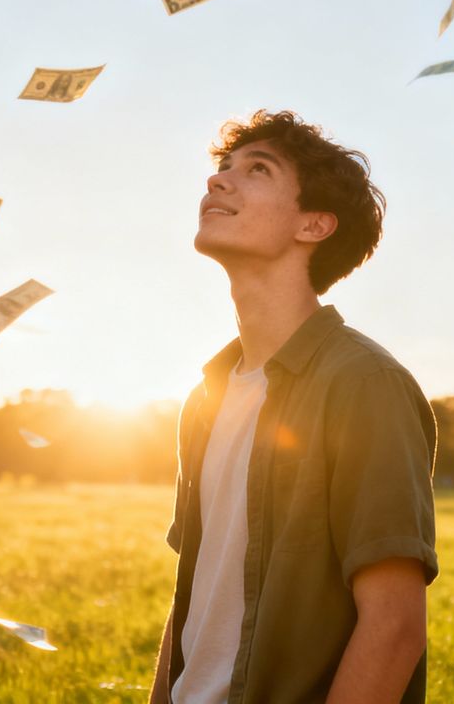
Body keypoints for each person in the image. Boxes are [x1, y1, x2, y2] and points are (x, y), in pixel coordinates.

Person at [150, 110, 438, 703]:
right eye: (222, 168)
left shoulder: (365, 384)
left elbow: (394, 627)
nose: (218, 181)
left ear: (314, 225)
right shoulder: (204, 398)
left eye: (257, 170)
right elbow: (191, 602)